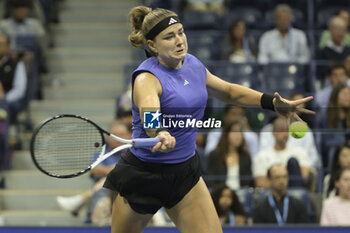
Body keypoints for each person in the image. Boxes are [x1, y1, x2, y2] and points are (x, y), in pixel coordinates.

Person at [103, 6, 314, 233]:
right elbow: (150, 113)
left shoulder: (192, 64)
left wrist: (272, 103)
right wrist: (160, 132)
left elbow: (229, 92)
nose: (179, 41)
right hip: (144, 175)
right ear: (152, 45)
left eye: (181, 32)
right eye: (169, 36)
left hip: (184, 173)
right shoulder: (146, 78)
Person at [56, 121, 131, 226]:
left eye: (121, 135)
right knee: (110, 180)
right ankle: (83, 201)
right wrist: (115, 171)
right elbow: (95, 170)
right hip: (102, 193)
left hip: (128, 194)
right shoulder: (102, 153)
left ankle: (81, 200)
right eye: (115, 135)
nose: (118, 138)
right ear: (108, 137)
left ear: (129, 136)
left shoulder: (134, 153)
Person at [253, 117, 311, 188]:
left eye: (287, 130)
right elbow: (260, 183)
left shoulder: (300, 152)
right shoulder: (262, 156)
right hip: (271, 193)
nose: (285, 134)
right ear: (273, 133)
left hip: (294, 192)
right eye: (281, 130)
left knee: (292, 161)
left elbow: (305, 178)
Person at [206, 121, 253, 189]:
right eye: (234, 131)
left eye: (240, 132)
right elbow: (211, 181)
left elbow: (248, 183)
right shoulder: (215, 155)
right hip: (219, 194)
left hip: (241, 194)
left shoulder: (245, 157)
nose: (238, 135)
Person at [0, 33, 27, 123]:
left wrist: (4, 99)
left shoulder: (17, 65)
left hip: (9, 100)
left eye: (1, 44)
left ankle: (4, 136)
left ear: (8, 47)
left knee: (4, 108)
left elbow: (19, 89)